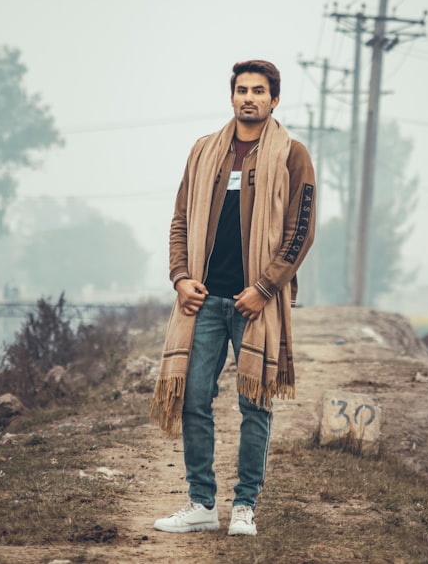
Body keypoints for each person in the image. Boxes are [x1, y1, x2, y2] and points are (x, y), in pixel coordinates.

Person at [151, 59, 316, 537]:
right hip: (201, 301)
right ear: (231, 97)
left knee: (255, 404)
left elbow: (299, 231)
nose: (249, 97)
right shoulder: (205, 152)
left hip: (255, 303)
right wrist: (180, 277)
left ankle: (245, 506)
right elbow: (180, 220)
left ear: (274, 99)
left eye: (259, 91)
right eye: (242, 89)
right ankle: (201, 503)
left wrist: (264, 288)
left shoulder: (292, 155)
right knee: (194, 399)